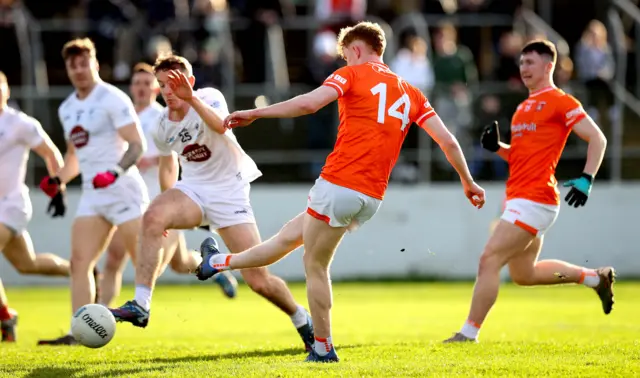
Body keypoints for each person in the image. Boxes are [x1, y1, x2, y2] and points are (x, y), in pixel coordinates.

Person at [196, 21, 486, 362]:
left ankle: (323, 348)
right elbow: (448, 141)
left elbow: (308, 104)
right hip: (372, 196)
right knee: (285, 240)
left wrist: (256, 114)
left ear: (357, 49)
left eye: (346, 54)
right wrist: (468, 181)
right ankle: (217, 262)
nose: (345, 61)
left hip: (340, 184)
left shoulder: (353, 74)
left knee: (315, 265)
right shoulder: (411, 92)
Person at [108, 54, 314, 352]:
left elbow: (220, 126)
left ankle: (301, 318)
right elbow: (169, 168)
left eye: (175, 83)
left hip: (229, 193)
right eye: (163, 84)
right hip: (193, 189)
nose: (168, 90)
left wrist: (190, 99)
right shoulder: (161, 124)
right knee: (152, 216)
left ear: (190, 82)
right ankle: (141, 304)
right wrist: (165, 213)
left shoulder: (208, 96)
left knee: (258, 280)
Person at [444, 40, 614, 343]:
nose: (523, 68)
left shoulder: (562, 102)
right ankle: (593, 277)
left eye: (530, 63)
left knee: (488, 259)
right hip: (520, 197)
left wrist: (587, 178)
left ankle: (468, 333)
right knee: (525, 275)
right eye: (521, 63)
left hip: (535, 198)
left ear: (549, 66)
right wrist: (498, 148)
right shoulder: (523, 107)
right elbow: (520, 156)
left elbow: (598, 139)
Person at [38, 38, 148, 345]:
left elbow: (138, 145)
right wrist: (58, 179)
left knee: (148, 261)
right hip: (92, 193)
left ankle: (209, 267)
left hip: (123, 189)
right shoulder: (67, 108)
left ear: (95, 64)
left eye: (84, 62)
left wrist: (113, 172)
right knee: (79, 262)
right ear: (68, 70)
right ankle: (77, 332)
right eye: (73, 65)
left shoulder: (112, 98)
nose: (79, 70)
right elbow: (74, 158)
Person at [98, 63, 237, 307]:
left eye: (146, 84)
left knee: (166, 265)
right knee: (114, 258)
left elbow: (174, 159)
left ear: (156, 89)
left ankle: (212, 268)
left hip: (160, 200)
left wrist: (141, 158)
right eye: (137, 83)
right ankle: (102, 314)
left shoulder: (162, 117)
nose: (141, 88)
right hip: (129, 201)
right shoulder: (124, 118)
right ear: (131, 87)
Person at [0, 71, 75, 342]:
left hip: (12, 205)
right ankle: (78, 269)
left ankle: (5, 315)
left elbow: (50, 152)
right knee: (26, 264)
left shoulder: (19, 123)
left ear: (7, 90)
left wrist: (59, 186)